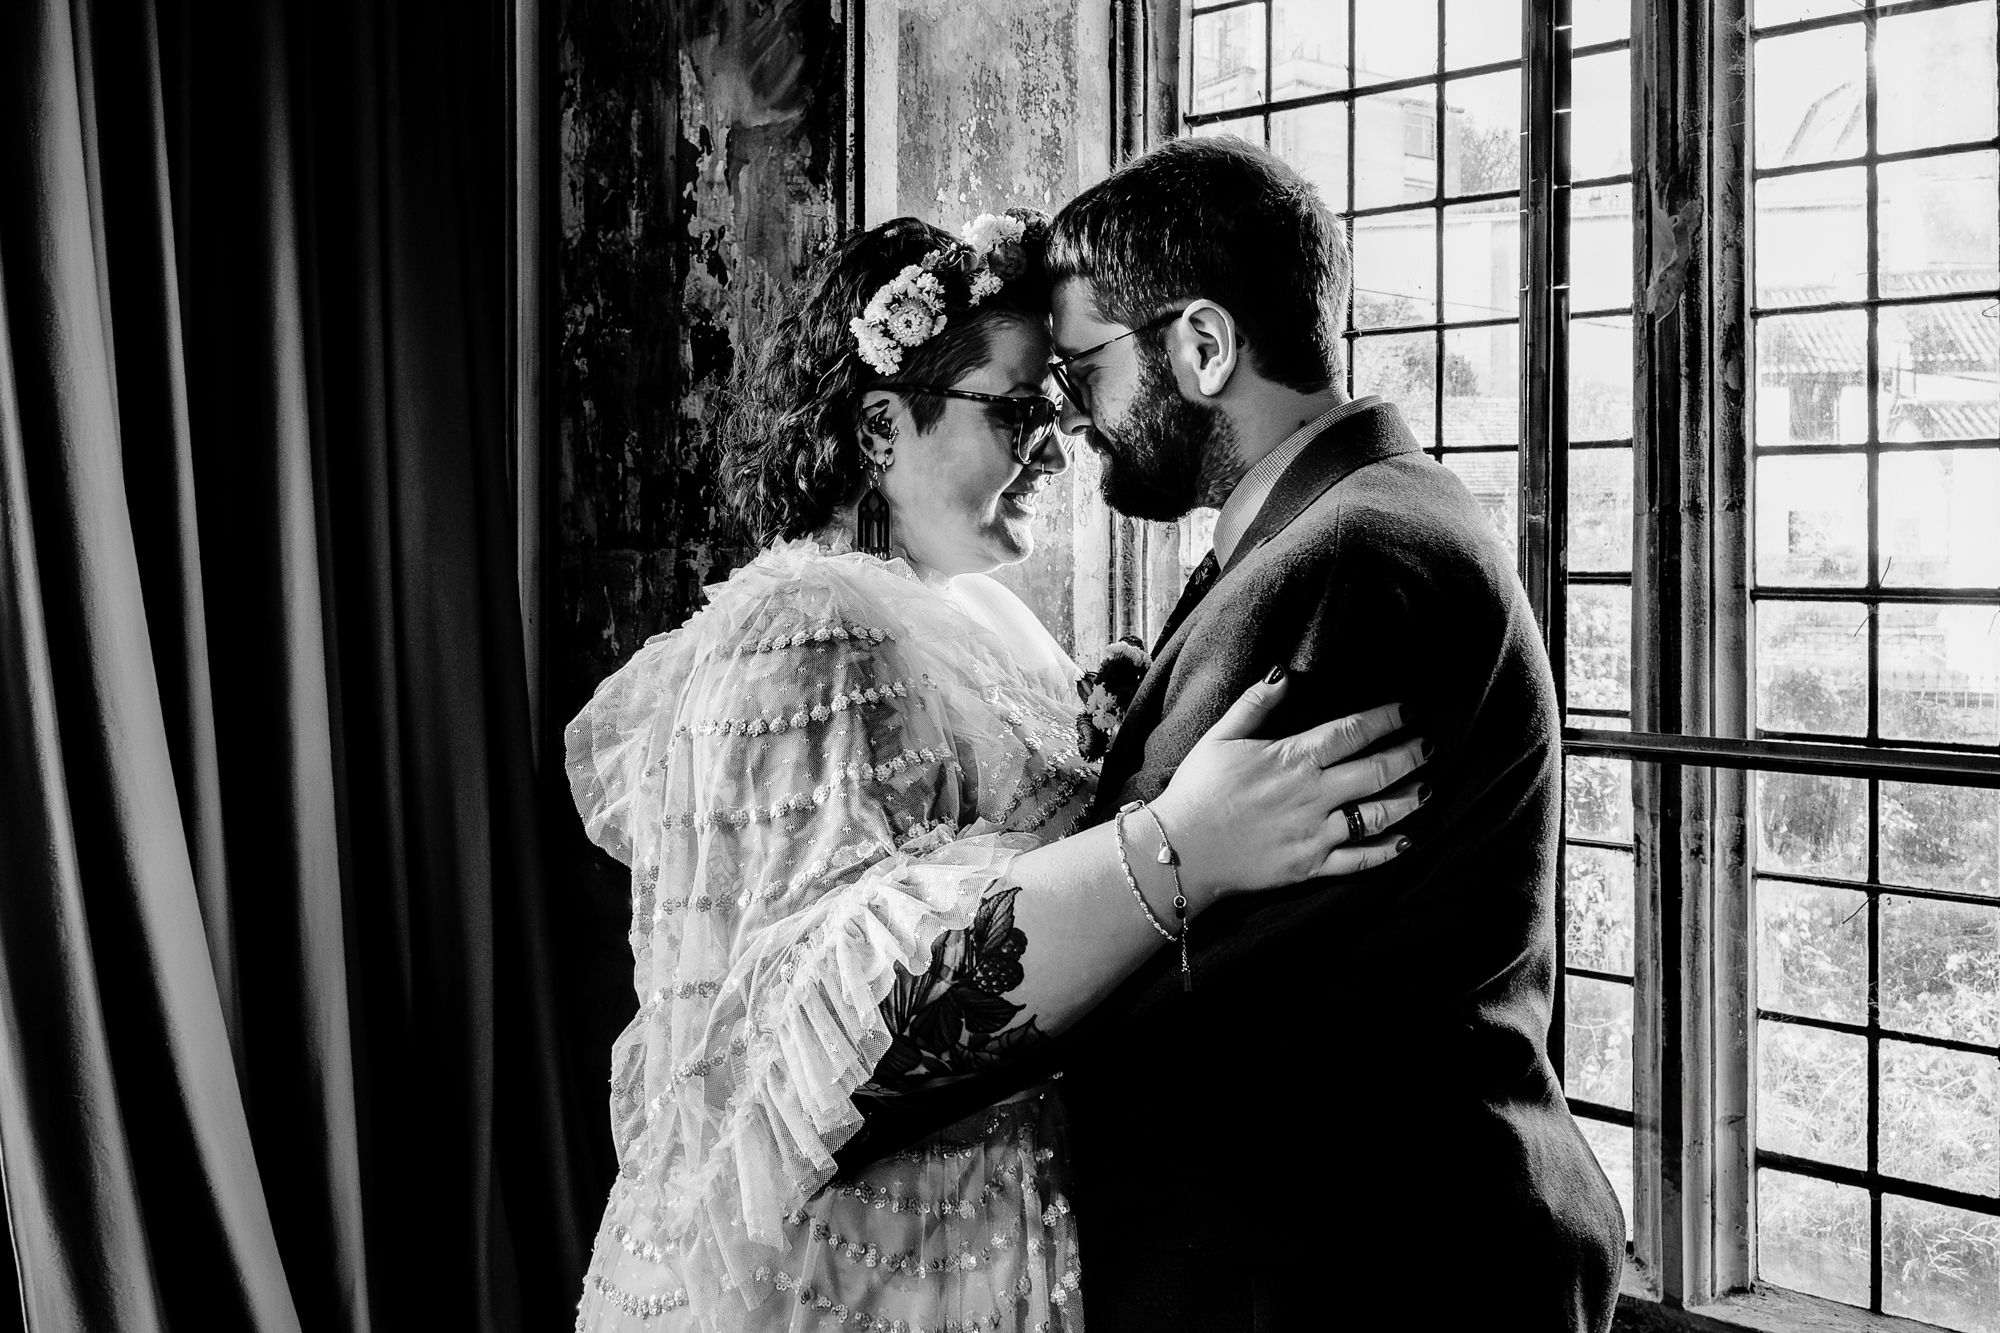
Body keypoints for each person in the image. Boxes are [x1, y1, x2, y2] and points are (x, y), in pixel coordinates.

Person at [564, 209, 1430, 1332]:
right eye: (1019, 408)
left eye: (1060, 407)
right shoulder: (796, 629)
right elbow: (819, 1028)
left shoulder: (979, 611)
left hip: (1001, 1228)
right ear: (880, 428)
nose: (1058, 447)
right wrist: (1184, 850)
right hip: (849, 1267)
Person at [832, 141, 1628, 1332]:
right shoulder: (1362, 517)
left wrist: (861, 1049)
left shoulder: (1345, 564)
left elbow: (1157, 972)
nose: (1072, 422)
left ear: (1201, 347)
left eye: (1085, 368)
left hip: (1342, 1272)